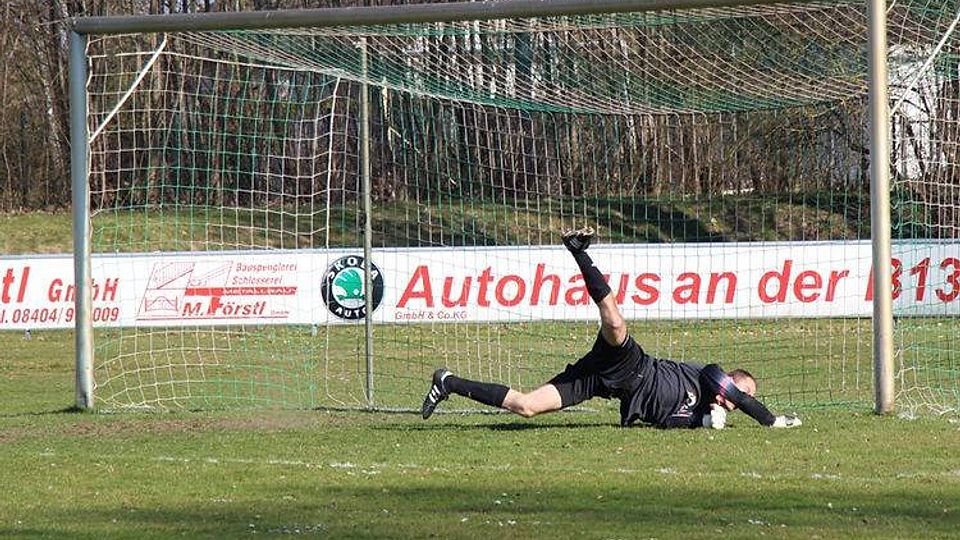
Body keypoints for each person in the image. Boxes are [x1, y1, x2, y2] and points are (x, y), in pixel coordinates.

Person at [420, 227, 802, 430]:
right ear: (731, 381)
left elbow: (662, 420)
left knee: (527, 406)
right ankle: (577, 250)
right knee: (615, 322)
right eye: (740, 392)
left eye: (740, 401)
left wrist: (703, 420)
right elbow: (726, 386)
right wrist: (770, 420)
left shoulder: (697, 412)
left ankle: (448, 381)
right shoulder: (709, 376)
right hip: (631, 365)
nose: (735, 402)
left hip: (602, 383)